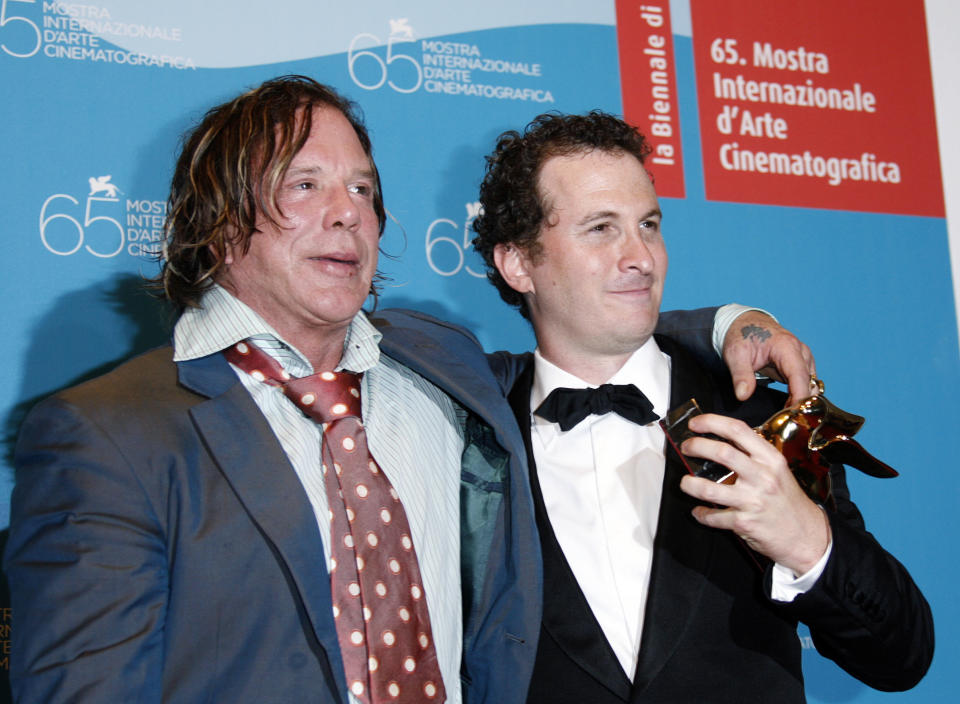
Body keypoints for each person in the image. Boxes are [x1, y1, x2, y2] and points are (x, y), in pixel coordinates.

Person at [6, 76, 815, 704]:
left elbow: (590, 320)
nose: (346, 214)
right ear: (220, 219)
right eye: (304, 185)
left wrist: (729, 324)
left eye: (361, 189)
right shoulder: (107, 432)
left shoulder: (442, 368)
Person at [471, 111, 934, 703]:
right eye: (601, 229)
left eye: (649, 224)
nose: (641, 256)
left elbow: (902, 655)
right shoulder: (469, 433)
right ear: (518, 263)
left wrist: (806, 541)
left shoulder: (760, 419)